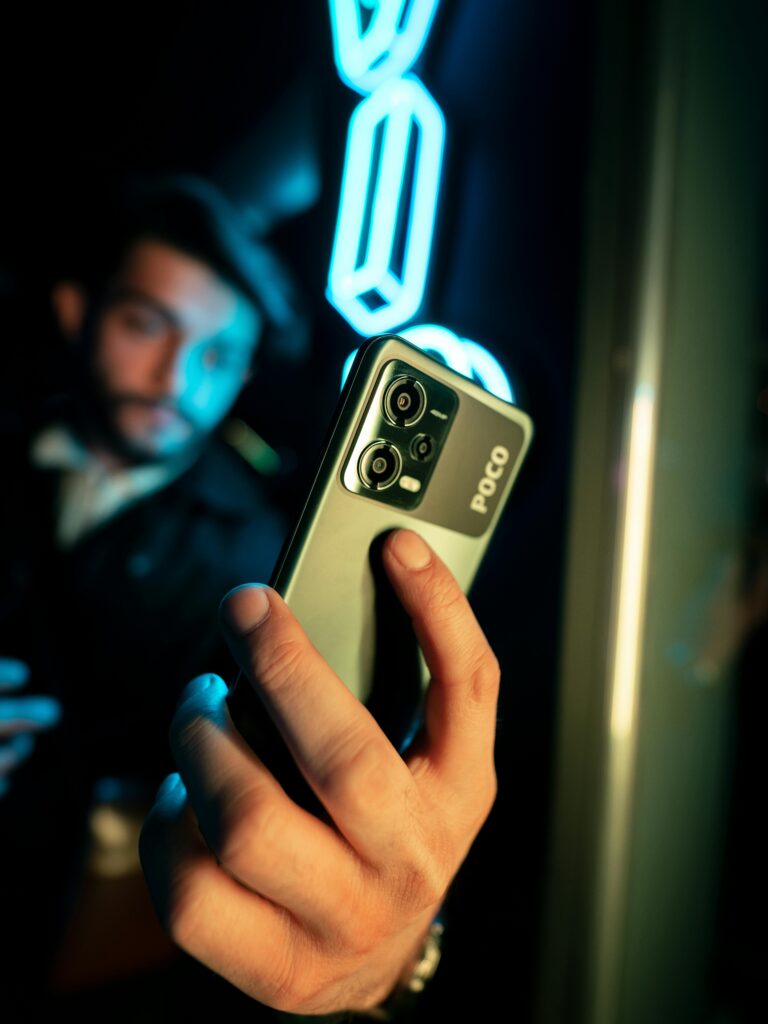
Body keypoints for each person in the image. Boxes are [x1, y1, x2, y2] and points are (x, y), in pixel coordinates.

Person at [1, 174, 501, 1020]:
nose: (176, 378)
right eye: (143, 324)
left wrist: (396, 953)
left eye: (218, 355)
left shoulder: (263, 557)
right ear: (75, 310)